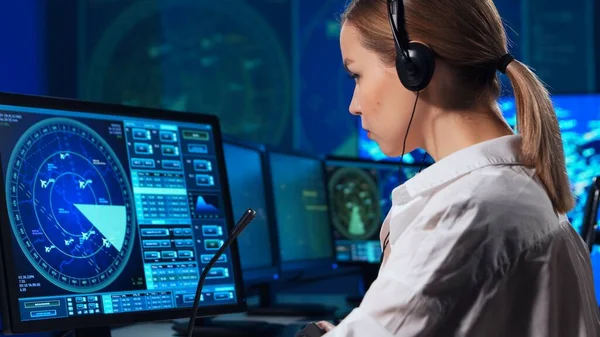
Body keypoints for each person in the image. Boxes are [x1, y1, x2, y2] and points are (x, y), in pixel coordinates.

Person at [313, 0, 600, 336]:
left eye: (357, 75)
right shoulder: (504, 191)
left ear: (414, 67)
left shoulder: (471, 208)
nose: (354, 105)